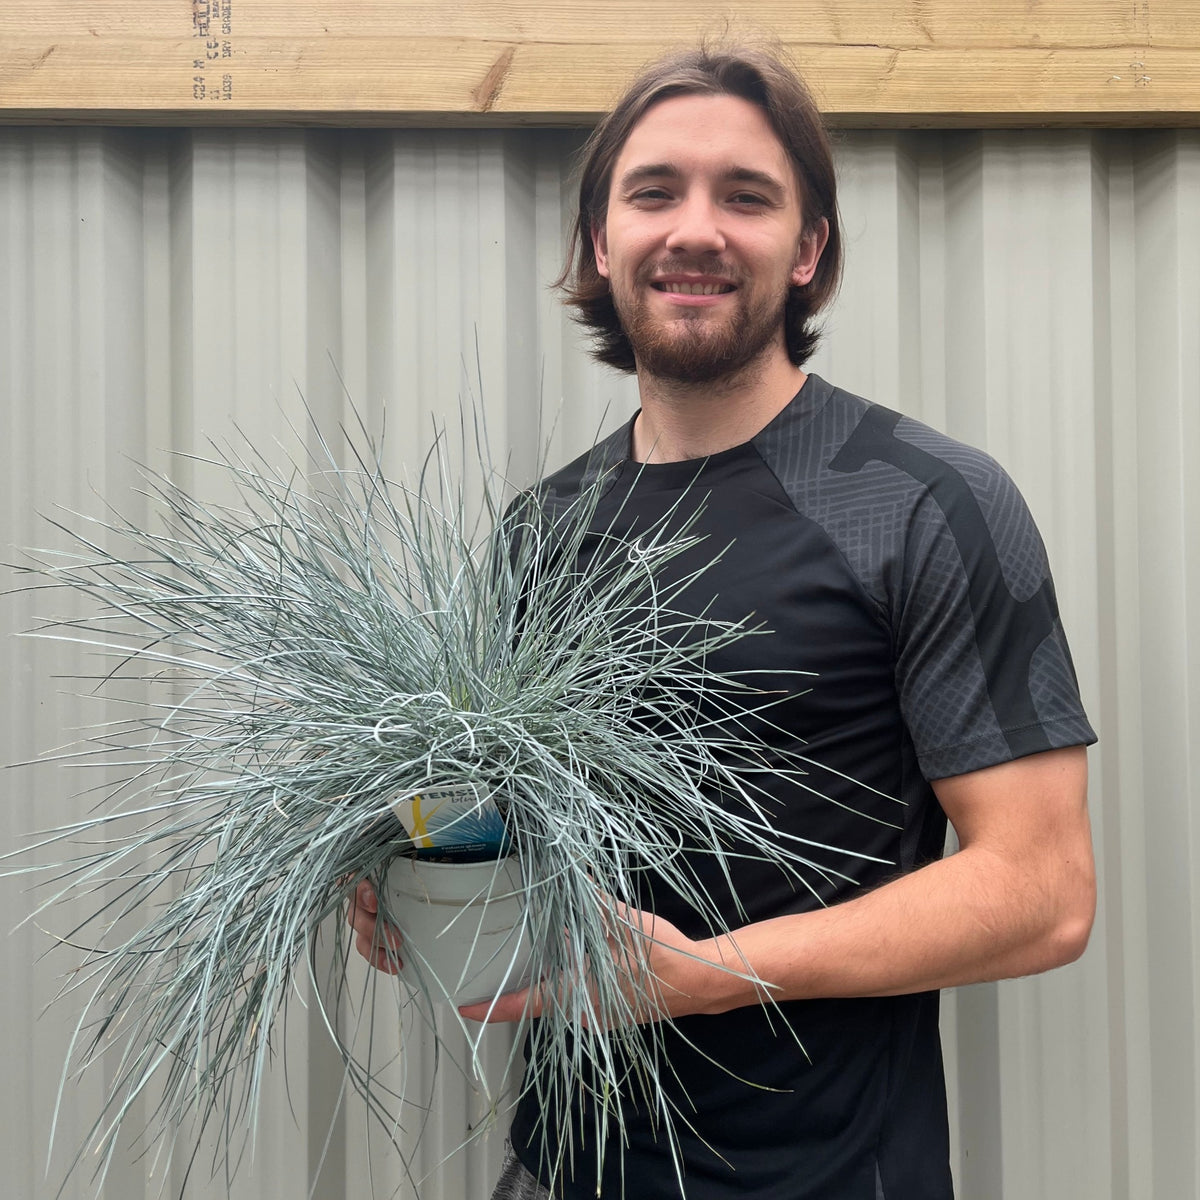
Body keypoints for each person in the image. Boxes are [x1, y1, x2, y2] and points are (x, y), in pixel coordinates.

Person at [349, 42, 1097, 1200]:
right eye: (654, 192)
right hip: (561, 1173)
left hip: (830, 1179)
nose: (694, 229)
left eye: (745, 196)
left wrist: (709, 974)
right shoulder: (542, 529)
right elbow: (510, 829)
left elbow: (1043, 892)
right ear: (603, 242)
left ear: (808, 251)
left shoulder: (922, 502)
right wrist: (416, 881)